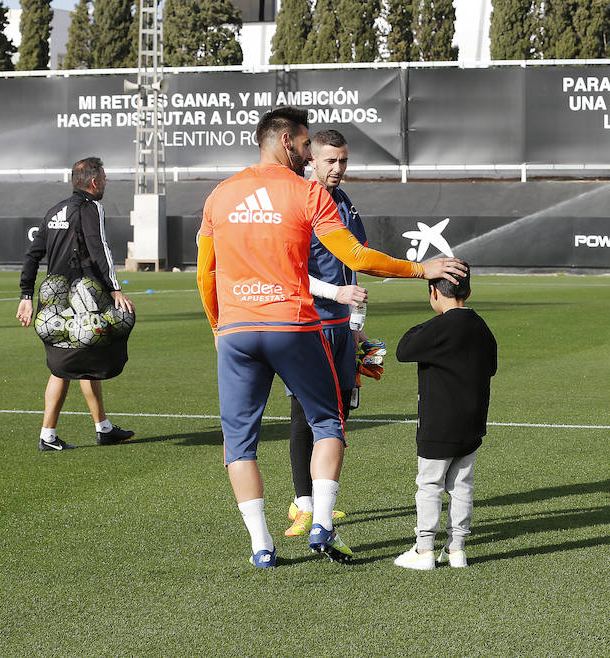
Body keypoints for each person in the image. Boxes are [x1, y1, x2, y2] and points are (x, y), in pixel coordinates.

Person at [197, 106, 466, 568]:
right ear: (287, 142)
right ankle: (321, 521)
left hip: (238, 330)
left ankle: (262, 546)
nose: (309, 155)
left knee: (239, 443)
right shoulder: (306, 194)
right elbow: (357, 257)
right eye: (305, 146)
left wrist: (218, 326)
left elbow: (206, 272)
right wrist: (423, 268)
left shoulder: (220, 195)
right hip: (294, 326)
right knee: (327, 423)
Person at [16, 157, 136, 451]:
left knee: (82, 363)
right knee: (68, 366)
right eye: (104, 177)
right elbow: (100, 248)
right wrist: (115, 288)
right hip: (83, 300)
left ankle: (103, 428)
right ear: (94, 182)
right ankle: (48, 436)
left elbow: (32, 255)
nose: (106, 182)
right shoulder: (91, 207)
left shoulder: (55, 210)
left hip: (53, 302)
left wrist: (26, 296)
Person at [284, 129, 369, 538]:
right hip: (307, 322)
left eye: (344, 161)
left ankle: (318, 500)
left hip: (340, 327)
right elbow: (293, 272)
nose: (338, 169)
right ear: (310, 161)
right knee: (306, 413)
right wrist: (337, 294)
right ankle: (303, 505)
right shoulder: (299, 201)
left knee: (338, 414)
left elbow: (355, 265)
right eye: (330, 162)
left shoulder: (344, 203)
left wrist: (356, 325)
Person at [393, 263, 497, 570]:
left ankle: (424, 548)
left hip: (438, 424)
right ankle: (457, 549)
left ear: (433, 292)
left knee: (430, 485)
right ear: (469, 291)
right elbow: (490, 366)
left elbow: (403, 348)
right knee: (462, 485)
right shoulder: (481, 326)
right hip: (472, 422)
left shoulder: (437, 328)